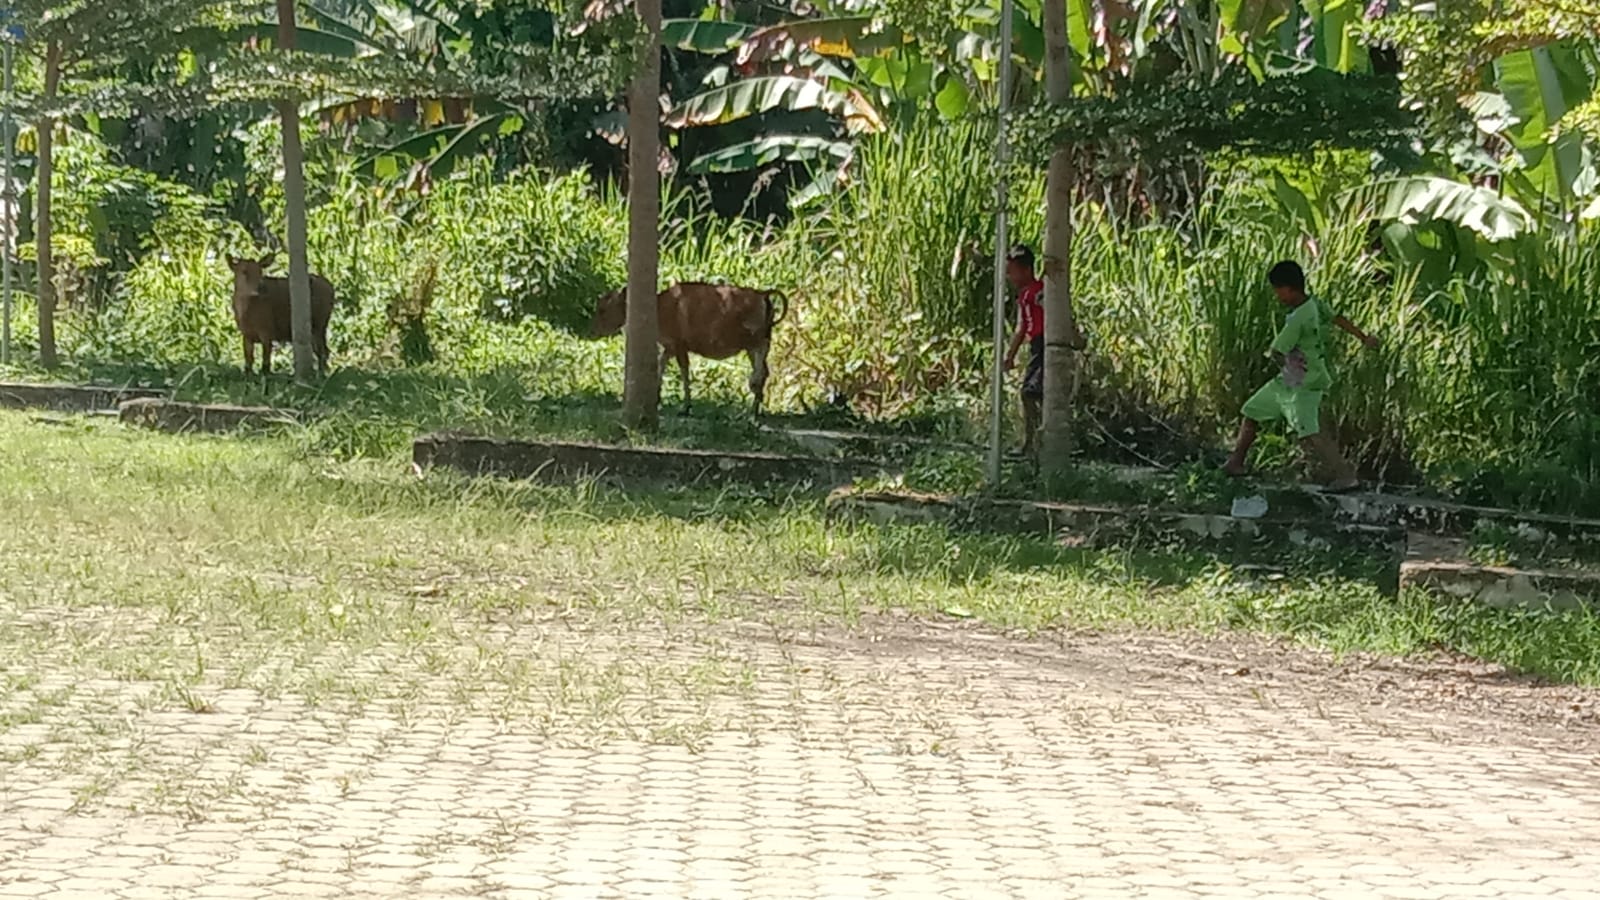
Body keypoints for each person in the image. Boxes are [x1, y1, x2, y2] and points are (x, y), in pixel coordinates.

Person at [1223, 260, 1380, 492]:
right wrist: (1363, 337)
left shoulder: (1298, 319)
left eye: (1278, 291)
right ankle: (1235, 463)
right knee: (1251, 411)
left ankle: (1345, 475)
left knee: (1310, 431)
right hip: (1293, 379)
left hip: (1302, 382)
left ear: (1288, 289)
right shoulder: (1315, 304)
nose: (1277, 296)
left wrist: (1283, 366)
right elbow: (1337, 318)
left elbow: (1277, 351)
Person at [1002, 245, 1047, 458]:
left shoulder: (1040, 291)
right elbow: (1021, 328)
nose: (1009, 276)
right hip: (1035, 346)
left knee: (1031, 393)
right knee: (1030, 393)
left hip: (1046, 345)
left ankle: (1034, 443)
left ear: (1027, 270)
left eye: (1012, 271)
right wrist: (1009, 355)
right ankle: (1032, 442)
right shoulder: (1024, 296)